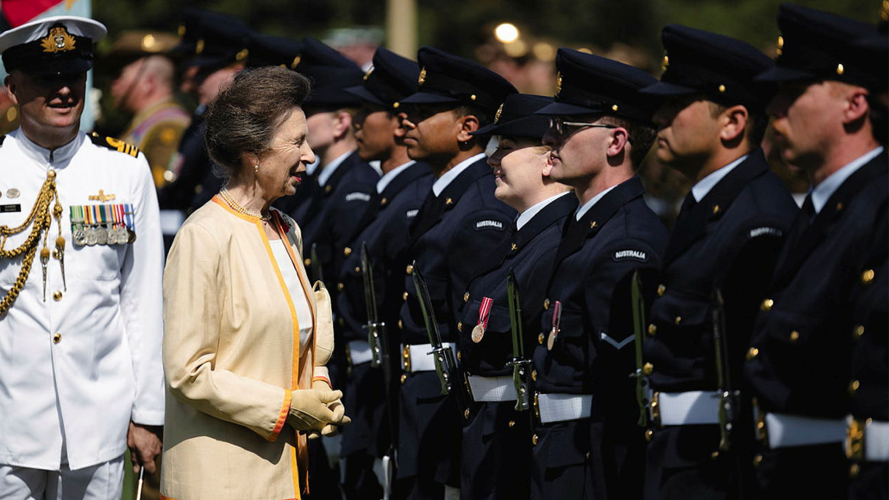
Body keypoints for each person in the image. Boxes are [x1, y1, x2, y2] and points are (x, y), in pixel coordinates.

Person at [160, 66, 350, 500]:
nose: (310, 156)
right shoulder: (203, 235)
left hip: (283, 473)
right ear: (254, 151)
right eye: (297, 142)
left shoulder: (287, 229)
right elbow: (187, 372)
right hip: (220, 479)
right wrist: (286, 408)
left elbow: (300, 339)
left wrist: (317, 390)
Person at [0, 15, 165, 499]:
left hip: (101, 421)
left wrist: (148, 413)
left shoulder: (124, 170)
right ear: (12, 89)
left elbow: (142, 300)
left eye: (73, 77)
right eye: (46, 80)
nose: (63, 92)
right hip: (10, 422)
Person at [637, 25, 798, 500]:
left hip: (717, 470)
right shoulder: (709, 206)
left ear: (732, 123)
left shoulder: (757, 221)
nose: (659, 117)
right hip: (677, 459)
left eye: (676, 106)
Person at [744, 4, 888, 499]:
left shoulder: (874, 209)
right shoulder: (820, 209)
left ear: (853, 105)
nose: (775, 109)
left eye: (792, 92)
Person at [531, 48, 668, 500]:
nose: (550, 135)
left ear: (615, 142)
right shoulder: (583, 228)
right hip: (561, 455)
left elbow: (622, 388)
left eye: (566, 127)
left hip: (592, 467)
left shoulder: (626, 242)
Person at [395, 45, 518, 500]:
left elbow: (477, 336)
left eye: (424, 112)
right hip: (420, 403)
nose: (406, 122)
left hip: (444, 407)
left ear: (469, 127)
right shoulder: (448, 195)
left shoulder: (482, 208)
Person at [455, 93, 575, 500]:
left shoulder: (556, 242)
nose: (492, 159)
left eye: (505, 148)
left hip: (516, 444)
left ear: (548, 160)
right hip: (489, 437)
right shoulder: (523, 237)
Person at [336, 46, 434, 500]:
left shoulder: (413, 198)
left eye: (366, 111)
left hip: (392, 377)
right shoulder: (389, 193)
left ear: (399, 123)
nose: (356, 121)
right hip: (369, 378)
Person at [155, 9, 252, 245]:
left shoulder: (242, 131)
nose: (191, 84)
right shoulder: (201, 121)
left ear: (236, 72)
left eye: (203, 74)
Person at [108, 31, 190, 188]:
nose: (114, 84)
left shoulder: (168, 127)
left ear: (148, 83)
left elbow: (165, 198)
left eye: (120, 75)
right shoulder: (145, 123)